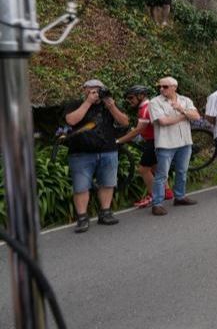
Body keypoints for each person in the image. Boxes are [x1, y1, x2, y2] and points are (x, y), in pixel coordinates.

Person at [63, 79, 129, 233]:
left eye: (99, 89)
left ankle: (105, 213)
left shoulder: (108, 105)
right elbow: (71, 120)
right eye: (92, 89)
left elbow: (124, 122)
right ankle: (82, 218)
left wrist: (111, 106)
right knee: (81, 186)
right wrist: (88, 103)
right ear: (84, 90)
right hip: (81, 152)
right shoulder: (75, 104)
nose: (96, 92)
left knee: (107, 183)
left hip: (108, 150)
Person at [148, 77, 201, 216]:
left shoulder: (185, 100)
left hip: (184, 142)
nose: (161, 89)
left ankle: (180, 196)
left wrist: (182, 110)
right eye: (160, 86)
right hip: (166, 143)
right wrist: (184, 116)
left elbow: (196, 116)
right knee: (162, 175)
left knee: (182, 171)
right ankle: (157, 204)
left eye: (165, 86)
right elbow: (163, 121)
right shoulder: (155, 102)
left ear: (174, 87)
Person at [116, 85, 173, 209]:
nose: (129, 100)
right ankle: (167, 192)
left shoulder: (146, 108)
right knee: (155, 167)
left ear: (141, 96)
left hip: (154, 141)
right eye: (127, 98)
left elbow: (138, 130)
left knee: (143, 169)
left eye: (131, 98)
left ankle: (153, 195)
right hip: (155, 140)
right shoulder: (146, 106)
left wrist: (119, 141)